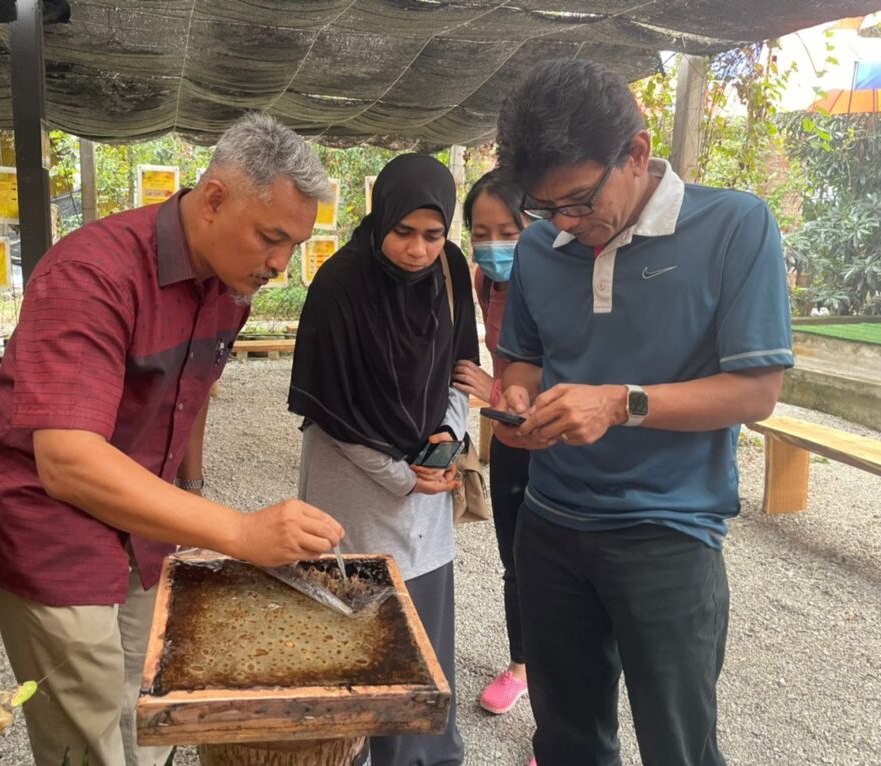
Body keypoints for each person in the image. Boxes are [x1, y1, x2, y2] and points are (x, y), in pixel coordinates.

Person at [0, 113, 344, 766]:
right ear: (215, 198)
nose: (281, 264)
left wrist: (191, 493)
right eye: (271, 237)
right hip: (49, 530)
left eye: (295, 245)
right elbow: (67, 462)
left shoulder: (230, 285)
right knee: (88, 737)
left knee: (147, 713)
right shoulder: (92, 273)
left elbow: (189, 394)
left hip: (141, 520)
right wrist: (236, 531)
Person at [492, 59, 793, 766]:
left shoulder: (735, 226)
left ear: (636, 150)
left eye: (578, 200)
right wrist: (517, 397)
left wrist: (621, 403)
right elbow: (525, 357)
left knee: (678, 746)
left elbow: (756, 391)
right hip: (551, 525)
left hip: (668, 532)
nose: (566, 223)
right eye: (547, 208)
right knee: (567, 738)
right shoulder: (540, 246)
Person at [288, 153, 478, 766]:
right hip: (357, 490)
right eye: (403, 232)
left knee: (420, 625)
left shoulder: (449, 271)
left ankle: (421, 753)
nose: (419, 250)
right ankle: (351, 750)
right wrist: (403, 474)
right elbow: (332, 408)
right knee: (359, 626)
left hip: (427, 486)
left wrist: (447, 437)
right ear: (379, 220)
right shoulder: (340, 284)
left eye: (433, 234)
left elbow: (461, 369)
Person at [450, 170, 531, 715]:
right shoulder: (485, 281)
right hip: (509, 438)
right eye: (481, 231)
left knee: (559, 572)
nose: (494, 244)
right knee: (514, 561)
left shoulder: (561, 282)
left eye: (509, 230)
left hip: (559, 446)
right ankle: (522, 666)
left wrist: (496, 391)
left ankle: (560, 719)